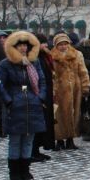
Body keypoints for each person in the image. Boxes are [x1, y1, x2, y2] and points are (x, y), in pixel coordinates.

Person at [0, 32, 47, 180]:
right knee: (15, 140)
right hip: (16, 105)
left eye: (25, 45)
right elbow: (0, 85)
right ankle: (14, 171)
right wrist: (8, 101)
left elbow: (42, 81)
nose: (23, 48)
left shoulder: (34, 62)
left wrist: (40, 97)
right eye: (20, 45)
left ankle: (25, 169)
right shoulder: (5, 64)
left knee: (28, 140)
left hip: (32, 104)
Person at [51, 32, 90, 151]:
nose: (63, 46)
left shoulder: (77, 54)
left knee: (73, 114)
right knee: (58, 115)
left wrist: (85, 86)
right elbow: (51, 75)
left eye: (65, 44)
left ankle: (70, 139)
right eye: (60, 44)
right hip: (59, 90)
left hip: (75, 89)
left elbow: (83, 71)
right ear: (56, 45)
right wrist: (52, 89)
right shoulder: (52, 56)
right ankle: (59, 140)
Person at [31, 33, 55, 161]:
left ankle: (37, 149)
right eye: (43, 42)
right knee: (37, 123)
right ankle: (33, 150)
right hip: (39, 94)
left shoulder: (45, 56)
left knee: (43, 122)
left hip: (46, 93)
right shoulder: (34, 58)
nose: (46, 45)